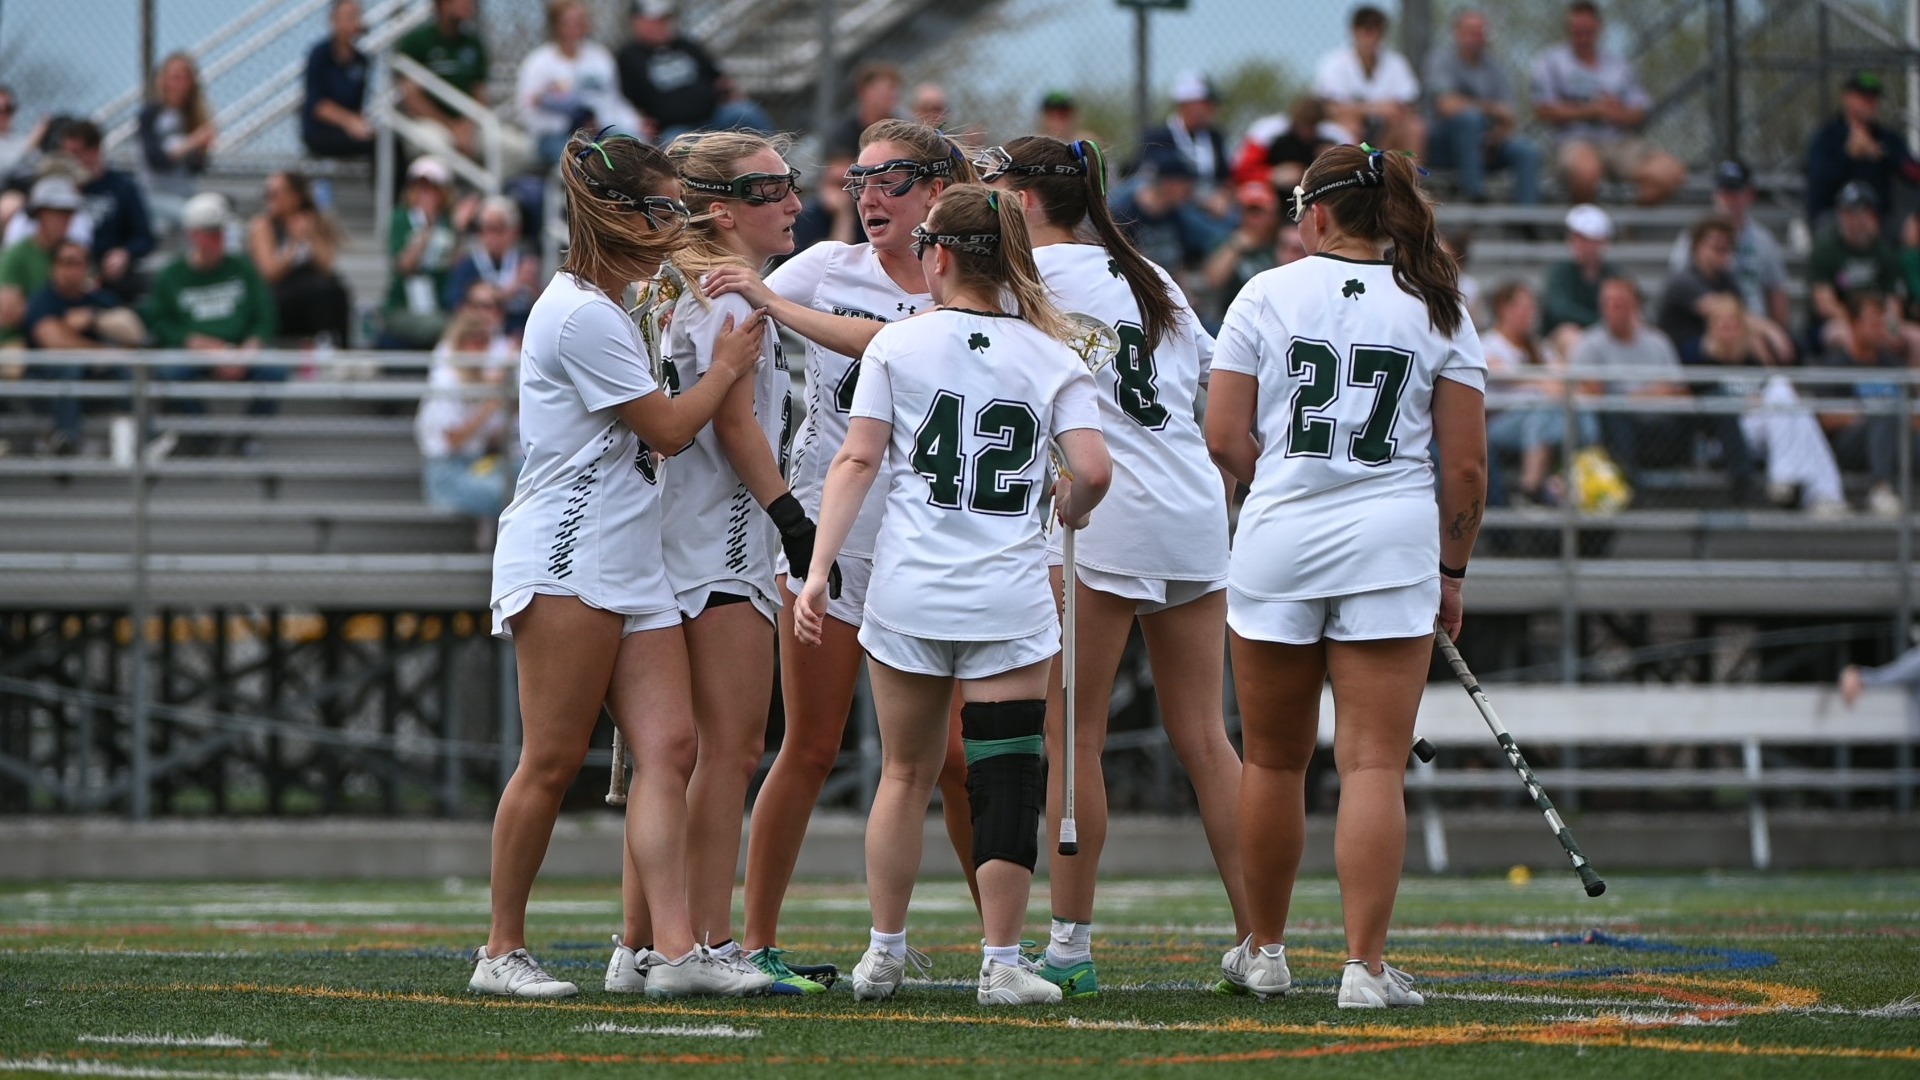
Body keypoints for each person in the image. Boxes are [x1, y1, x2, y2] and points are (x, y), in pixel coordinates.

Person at [792, 182, 1109, 1006]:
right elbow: (1094, 472)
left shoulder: (898, 345)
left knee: (903, 773)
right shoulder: (1052, 353)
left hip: (910, 592)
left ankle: (884, 954)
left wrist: (820, 570)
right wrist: (1068, 505)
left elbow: (855, 461)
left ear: (937, 254)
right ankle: (1001, 961)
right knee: (1006, 776)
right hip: (1006, 596)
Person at [475, 128, 770, 1000]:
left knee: (669, 748)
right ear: (618, 216)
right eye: (665, 208)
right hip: (568, 549)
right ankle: (500, 950)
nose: (678, 222)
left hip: (628, 551)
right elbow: (673, 431)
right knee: (554, 758)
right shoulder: (581, 314)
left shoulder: (618, 302)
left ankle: (674, 952)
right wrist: (724, 370)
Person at [700, 120, 983, 984]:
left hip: (942, 537)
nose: (867, 198)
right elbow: (721, 294)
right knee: (811, 744)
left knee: (963, 757)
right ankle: (755, 944)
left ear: (937, 188)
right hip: (835, 528)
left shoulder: (974, 277)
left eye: (889, 180)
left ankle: (1002, 946)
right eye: (857, 180)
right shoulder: (825, 268)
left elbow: (900, 345)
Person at [1203, 143, 1486, 1008]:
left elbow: (1222, 437)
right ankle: (1363, 968)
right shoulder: (1438, 305)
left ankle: (1266, 950)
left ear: (1317, 213)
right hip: (1392, 544)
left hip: (1280, 539)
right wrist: (1452, 570)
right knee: (1371, 767)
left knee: (1274, 764)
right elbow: (1467, 470)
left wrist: (1290, 482)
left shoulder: (1264, 292)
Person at [981, 135, 1245, 998]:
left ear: (1023, 204)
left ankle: (1069, 946)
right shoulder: (1152, 275)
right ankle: (1263, 940)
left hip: (1103, 517)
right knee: (1206, 736)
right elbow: (1205, 383)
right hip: (1192, 510)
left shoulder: (1024, 285)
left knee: (1074, 735)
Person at [604, 131, 810, 998]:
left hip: (668, 533)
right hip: (715, 536)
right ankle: (710, 943)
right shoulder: (725, 297)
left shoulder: (675, 286)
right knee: (731, 748)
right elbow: (734, 424)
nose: (794, 201)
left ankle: (639, 945)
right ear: (721, 210)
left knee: (670, 760)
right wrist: (792, 518)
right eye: (773, 190)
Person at [143, 193, 283, 436]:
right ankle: (205, 434)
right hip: (195, 350)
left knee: (275, 370)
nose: (218, 240)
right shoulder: (171, 275)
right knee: (169, 371)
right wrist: (194, 342)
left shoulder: (243, 268)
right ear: (192, 235)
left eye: (220, 232)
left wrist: (247, 351)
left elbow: (265, 317)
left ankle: (247, 435)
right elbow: (159, 323)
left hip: (240, 349)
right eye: (210, 233)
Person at [1694, 295, 1846, 517]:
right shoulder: (1701, 362)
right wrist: (1744, 403)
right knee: (1783, 394)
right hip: (1724, 441)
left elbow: (1772, 399)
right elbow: (1703, 414)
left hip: (1763, 431)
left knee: (1794, 405)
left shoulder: (1752, 363)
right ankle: (1813, 488)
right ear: (1712, 329)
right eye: (1722, 326)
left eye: (1734, 326)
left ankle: (1823, 495)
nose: (1728, 332)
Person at [1530, 1, 1685, 206]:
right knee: (1586, 172)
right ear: (1568, 30)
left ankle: (1626, 227)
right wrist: (1590, 111)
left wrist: (1616, 113)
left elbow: (1640, 111)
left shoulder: (1618, 65)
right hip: (1575, 142)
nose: (1582, 35)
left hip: (1620, 142)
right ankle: (1584, 228)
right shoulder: (1551, 62)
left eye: (1588, 30)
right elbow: (1544, 110)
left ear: (1599, 29)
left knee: (1671, 173)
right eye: (1577, 30)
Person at [24, 240, 145, 454]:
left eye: (78, 263)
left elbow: (134, 332)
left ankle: (147, 440)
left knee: (125, 372)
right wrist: (104, 353)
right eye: (65, 263)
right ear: (54, 267)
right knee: (70, 367)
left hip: (92, 381)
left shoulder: (98, 299)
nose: (71, 270)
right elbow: (56, 343)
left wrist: (94, 318)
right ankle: (67, 439)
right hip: (47, 385)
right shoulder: (42, 300)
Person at [1571, 277, 1692, 484]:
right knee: (1616, 417)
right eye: (1607, 303)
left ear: (1635, 306)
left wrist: (1628, 397)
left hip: (1660, 428)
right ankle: (1630, 484)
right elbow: (1593, 394)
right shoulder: (1589, 344)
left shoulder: (1658, 342)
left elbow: (1680, 392)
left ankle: (1741, 486)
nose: (1612, 309)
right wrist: (1648, 395)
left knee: (1711, 401)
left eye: (1619, 304)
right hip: (1615, 432)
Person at [1480, 280, 1590, 507]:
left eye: (1533, 308)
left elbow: (1565, 384)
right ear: (1504, 309)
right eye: (1524, 307)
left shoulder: (1540, 348)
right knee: (1543, 409)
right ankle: (1530, 487)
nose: (1531, 314)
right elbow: (1500, 372)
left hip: (1544, 421)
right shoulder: (1488, 343)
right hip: (1499, 424)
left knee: (1578, 412)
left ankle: (1583, 478)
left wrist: (1544, 380)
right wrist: (1541, 380)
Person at [415, 283, 515, 520]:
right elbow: (454, 440)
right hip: (449, 473)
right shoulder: (445, 380)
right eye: (473, 340)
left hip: (479, 464)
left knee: (529, 477)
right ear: (459, 343)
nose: (479, 348)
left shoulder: (477, 379)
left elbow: (493, 437)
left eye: (484, 341)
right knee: (508, 493)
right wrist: (491, 403)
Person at [1423, 8, 1540, 204]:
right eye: (1471, 32)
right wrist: (1490, 109)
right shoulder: (1440, 60)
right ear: (1457, 33)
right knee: (1470, 120)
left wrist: (1496, 137)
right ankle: (1474, 194)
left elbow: (1509, 116)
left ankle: (1526, 219)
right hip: (1444, 146)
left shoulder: (1495, 68)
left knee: (1527, 151)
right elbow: (1446, 106)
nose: (1476, 38)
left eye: (1480, 32)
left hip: (1486, 145)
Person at [396, 0, 531, 170]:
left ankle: (485, 193)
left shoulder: (473, 43)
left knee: (519, 149)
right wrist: (451, 127)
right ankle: (444, 195)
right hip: (432, 124)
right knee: (432, 143)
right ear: (442, 4)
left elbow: (480, 94)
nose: (469, 4)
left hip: (469, 125)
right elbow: (412, 98)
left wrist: (467, 127)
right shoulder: (415, 41)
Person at [1815, 290, 1914, 517]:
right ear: (1853, 324)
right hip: (1851, 443)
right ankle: (1880, 488)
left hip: (1897, 438)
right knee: (1885, 411)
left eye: (1881, 323)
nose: (1879, 329)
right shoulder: (1834, 365)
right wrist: (1872, 414)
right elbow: (1826, 418)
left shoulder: (1893, 365)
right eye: (1872, 323)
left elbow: (1913, 413)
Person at [616, 0, 769, 146]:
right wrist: (640, 120)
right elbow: (626, 99)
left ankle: (778, 166)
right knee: (676, 145)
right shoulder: (628, 56)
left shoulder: (686, 46)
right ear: (637, 22)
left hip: (715, 116)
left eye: (665, 20)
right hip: (676, 129)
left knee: (744, 111)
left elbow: (718, 78)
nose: (662, 26)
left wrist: (732, 93)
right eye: (655, 21)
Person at [517, 0, 642, 167]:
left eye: (582, 20)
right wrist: (571, 125)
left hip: (601, 131)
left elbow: (613, 101)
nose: (578, 26)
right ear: (556, 25)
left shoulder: (600, 57)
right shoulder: (538, 63)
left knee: (634, 150)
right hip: (557, 136)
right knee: (583, 161)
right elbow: (528, 111)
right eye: (570, 21)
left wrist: (636, 124)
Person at [247, 169, 352, 347]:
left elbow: (326, 266)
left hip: (312, 290)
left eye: (276, 194)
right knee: (313, 292)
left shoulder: (312, 221)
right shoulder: (262, 226)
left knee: (334, 291)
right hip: (279, 293)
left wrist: (311, 236)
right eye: (268, 194)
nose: (270, 199)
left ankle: (337, 348)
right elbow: (269, 274)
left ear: (296, 196)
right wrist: (293, 244)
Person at [1806, 71, 1920, 228]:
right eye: (1864, 99)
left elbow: (1913, 172)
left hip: (1880, 221)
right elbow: (1818, 185)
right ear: (1847, 98)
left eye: (1874, 99)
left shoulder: (1887, 139)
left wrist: (1882, 153)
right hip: (1836, 219)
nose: (1871, 104)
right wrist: (1849, 155)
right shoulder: (1827, 138)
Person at [59, 121, 153, 304]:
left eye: (76, 154)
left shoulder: (122, 187)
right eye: (66, 154)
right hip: (66, 267)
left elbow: (144, 238)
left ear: (94, 151)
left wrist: (125, 253)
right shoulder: (58, 189)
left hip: (107, 268)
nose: (70, 161)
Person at [1314, 6, 1426, 157]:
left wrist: (1391, 113)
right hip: (1350, 128)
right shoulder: (1334, 63)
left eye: (1374, 30)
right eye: (1364, 29)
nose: (1369, 37)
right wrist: (1373, 109)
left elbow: (1408, 104)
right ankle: (1352, 176)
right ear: (1354, 31)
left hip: (1386, 130)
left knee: (1414, 127)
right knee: (1351, 125)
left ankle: (1407, 177)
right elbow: (1332, 109)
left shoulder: (1396, 63)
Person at [381, 157, 463, 349]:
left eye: (434, 189)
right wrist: (427, 231)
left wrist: (459, 232)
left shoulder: (449, 223)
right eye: (422, 188)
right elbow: (404, 265)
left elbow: (452, 266)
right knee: (446, 327)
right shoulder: (401, 219)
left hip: (439, 304)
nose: (428, 195)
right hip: (405, 307)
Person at [1809, 181, 1903, 340]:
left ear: (1870, 214)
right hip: (1840, 321)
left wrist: (1891, 327)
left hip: (1876, 320)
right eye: (1844, 211)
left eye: (1854, 211)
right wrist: (1859, 324)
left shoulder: (1884, 251)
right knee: (1843, 335)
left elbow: (1892, 301)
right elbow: (1824, 303)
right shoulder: (1825, 249)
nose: (1848, 218)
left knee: (1910, 338)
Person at [1109, 152, 1214, 294]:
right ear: (1169, 184)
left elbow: (1180, 263)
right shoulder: (1123, 212)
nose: (1191, 191)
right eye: (1186, 185)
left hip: (1169, 291)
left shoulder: (1176, 212)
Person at [137, 52, 216, 237]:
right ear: (163, 80)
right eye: (174, 77)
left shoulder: (195, 116)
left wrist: (202, 150)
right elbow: (157, 161)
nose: (179, 84)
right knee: (192, 220)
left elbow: (197, 169)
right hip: (153, 195)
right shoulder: (150, 114)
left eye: (184, 78)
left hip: (186, 194)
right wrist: (192, 142)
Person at [0, 176, 81, 350]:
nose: (65, 219)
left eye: (69, 213)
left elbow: (86, 296)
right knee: (15, 366)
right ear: (39, 214)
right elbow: (7, 314)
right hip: (19, 334)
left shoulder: (76, 252)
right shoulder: (16, 255)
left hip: (68, 331)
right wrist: (53, 314)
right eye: (58, 212)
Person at [446, 195, 539, 337]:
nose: (490, 236)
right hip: (479, 340)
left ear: (514, 231)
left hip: (520, 338)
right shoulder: (468, 264)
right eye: (484, 228)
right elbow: (457, 308)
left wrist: (534, 287)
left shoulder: (524, 262)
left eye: (498, 229)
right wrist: (511, 290)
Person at [1540, 203, 1619, 359]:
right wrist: (1601, 323)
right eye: (1575, 238)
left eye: (1585, 239)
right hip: (1564, 338)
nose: (1578, 244)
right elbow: (1560, 310)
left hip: (1605, 334)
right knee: (1572, 335)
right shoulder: (1561, 274)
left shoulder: (1613, 274)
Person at [1137, 72, 1231, 199]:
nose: (1212, 109)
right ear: (1187, 104)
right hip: (1173, 205)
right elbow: (1149, 172)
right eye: (1206, 103)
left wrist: (1222, 197)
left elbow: (1224, 177)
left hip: (1210, 205)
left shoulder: (1214, 137)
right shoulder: (1159, 137)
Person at [303, 0, 375, 160]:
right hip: (320, 132)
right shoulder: (320, 55)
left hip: (349, 131)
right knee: (377, 145)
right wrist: (350, 122)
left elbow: (358, 105)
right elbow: (317, 105)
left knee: (387, 142)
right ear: (334, 20)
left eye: (357, 16)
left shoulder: (362, 60)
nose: (355, 22)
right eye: (349, 17)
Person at [1202, 180, 1282, 309]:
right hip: (1232, 314)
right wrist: (1235, 247)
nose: (1248, 218)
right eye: (1244, 211)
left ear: (1273, 215)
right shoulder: (1227, 240)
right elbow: (1211, 282)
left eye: (1256, 212)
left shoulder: (1283, 241)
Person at [824, 63, 902, 161]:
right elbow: (838, 169)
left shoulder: (901, 129)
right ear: (863, 92)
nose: (893, 95)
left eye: (894, 90)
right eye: (885, 92)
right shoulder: (844, 132)